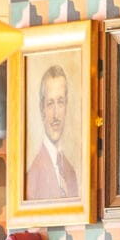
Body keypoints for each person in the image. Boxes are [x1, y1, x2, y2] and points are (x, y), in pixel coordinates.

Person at [25, 61, 80, 203]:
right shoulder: (33, 173)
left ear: (66, 106)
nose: (56, 115)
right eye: (50, 104)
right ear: (42, 109)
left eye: (60, 102)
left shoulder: (70, 171)